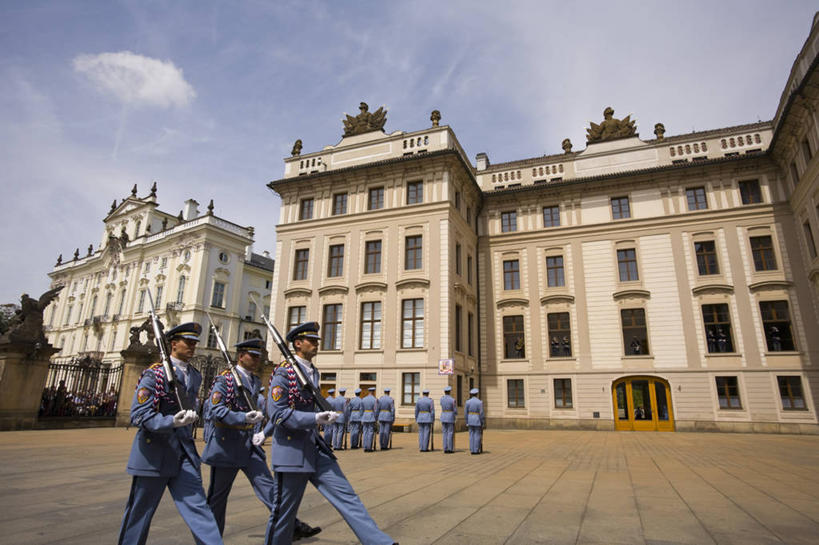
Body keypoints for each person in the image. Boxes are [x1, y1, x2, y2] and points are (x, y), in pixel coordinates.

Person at [263, 322, 397, 545]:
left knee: (348, 497)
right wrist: (314, 418)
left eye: (317, 340)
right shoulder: (284, 373)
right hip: (292, 453)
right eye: (311, 340)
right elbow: (277, 414)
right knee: (284, 513)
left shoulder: (311, 371)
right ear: (298, 344)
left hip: (315, 448)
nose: (317, 344)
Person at [201, 338, 320, 541]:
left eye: (259, 356)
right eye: (253, 356)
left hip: (249, 445)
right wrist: (242, 417)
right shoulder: (225, 379)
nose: (257, 360)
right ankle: (211, 538)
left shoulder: (255, 380)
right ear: (241, 356)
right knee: (217, 498)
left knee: (270, 489)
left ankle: (292, 526)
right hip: (226, 445)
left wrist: (262, 431)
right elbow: (215, 409)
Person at [118, 322, 223, 545]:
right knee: (140, 513)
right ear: (174, 344)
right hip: (154, 453)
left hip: (183, 453)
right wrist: (170, 421)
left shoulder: (194, 375)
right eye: (189, 342)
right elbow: (139, 415)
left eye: (195, 342)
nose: (193, 346)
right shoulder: (154, 375)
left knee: (199, 509)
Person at [465, 388, 484, 455]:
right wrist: (482, 421)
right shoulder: (479, 402)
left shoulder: (468, 402)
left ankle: (472, 449)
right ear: (477, 394)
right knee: (477, 435)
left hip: (470, 419)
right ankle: (476, 449)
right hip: (477, 419)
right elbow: (481, 413)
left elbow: (466, 412)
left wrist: (466, 421)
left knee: (471, 435)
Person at [439, 386, 456, 453]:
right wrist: (455, 415)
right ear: (450, 392)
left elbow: (441, 405)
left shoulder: (442, 399)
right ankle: (450, 448)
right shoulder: (452, 400)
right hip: (450, 416)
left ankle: (445, 448)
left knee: (444, 433)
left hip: (443, 416)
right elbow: (454, 409)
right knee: (450, 433)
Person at [361, 386, 378, 452]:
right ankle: (369, 447)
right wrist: (376, 418)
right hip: (371, 416)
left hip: (365, 415)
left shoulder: (364, 399)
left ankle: (365, 446)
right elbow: (376, 410)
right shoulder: (375, 400)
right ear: (373, 392)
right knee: (370, 432)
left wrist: (362, 417)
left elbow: (361, 409)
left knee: (365, 432)